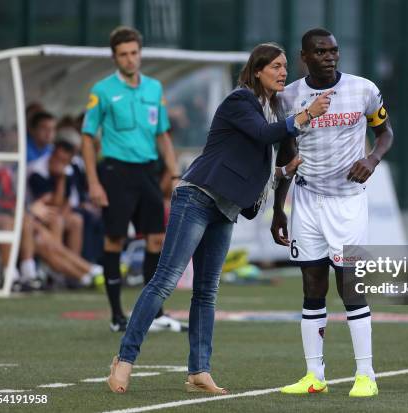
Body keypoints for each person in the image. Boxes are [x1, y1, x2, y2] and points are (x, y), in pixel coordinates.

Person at [106, 42, 331, 395]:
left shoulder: (270, 109)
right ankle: (124, 359)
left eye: (285, 66)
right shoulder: (241, 100)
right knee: (164, 281)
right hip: (197, 196)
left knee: (207, 292)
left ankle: (199, 370)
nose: (283, 72)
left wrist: (284, 170)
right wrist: (306, 115)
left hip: (226, 208)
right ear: (257, 70)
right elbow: (262, 136)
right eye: (275, 66)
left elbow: (252, 161)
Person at [272, 28, 394, 398]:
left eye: (334, 51)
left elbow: (385, 132)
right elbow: (286, 156)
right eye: (321, 51)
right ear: (304, 56)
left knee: (350, 286)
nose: (330, 56)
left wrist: (372, 159)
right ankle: (314, 376)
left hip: (348, 201)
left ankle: (366, 374)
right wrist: (279, 208)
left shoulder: (364, 89)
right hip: (306, 202)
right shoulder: (289, 96)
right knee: (312, 287)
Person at [81, 26, 183, 333]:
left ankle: (155, 312)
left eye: (134, 53)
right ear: (115, 57)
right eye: (123, 54)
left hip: (147, 172)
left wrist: (175, 172)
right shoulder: (101, 90)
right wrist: (94, 182)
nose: (130, 59)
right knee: (115, 240)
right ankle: (116, 316)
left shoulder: (154, 88)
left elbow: (162, 134)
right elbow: (88, 138)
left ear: (140, 53)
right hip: (115, 172)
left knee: (156, 240)